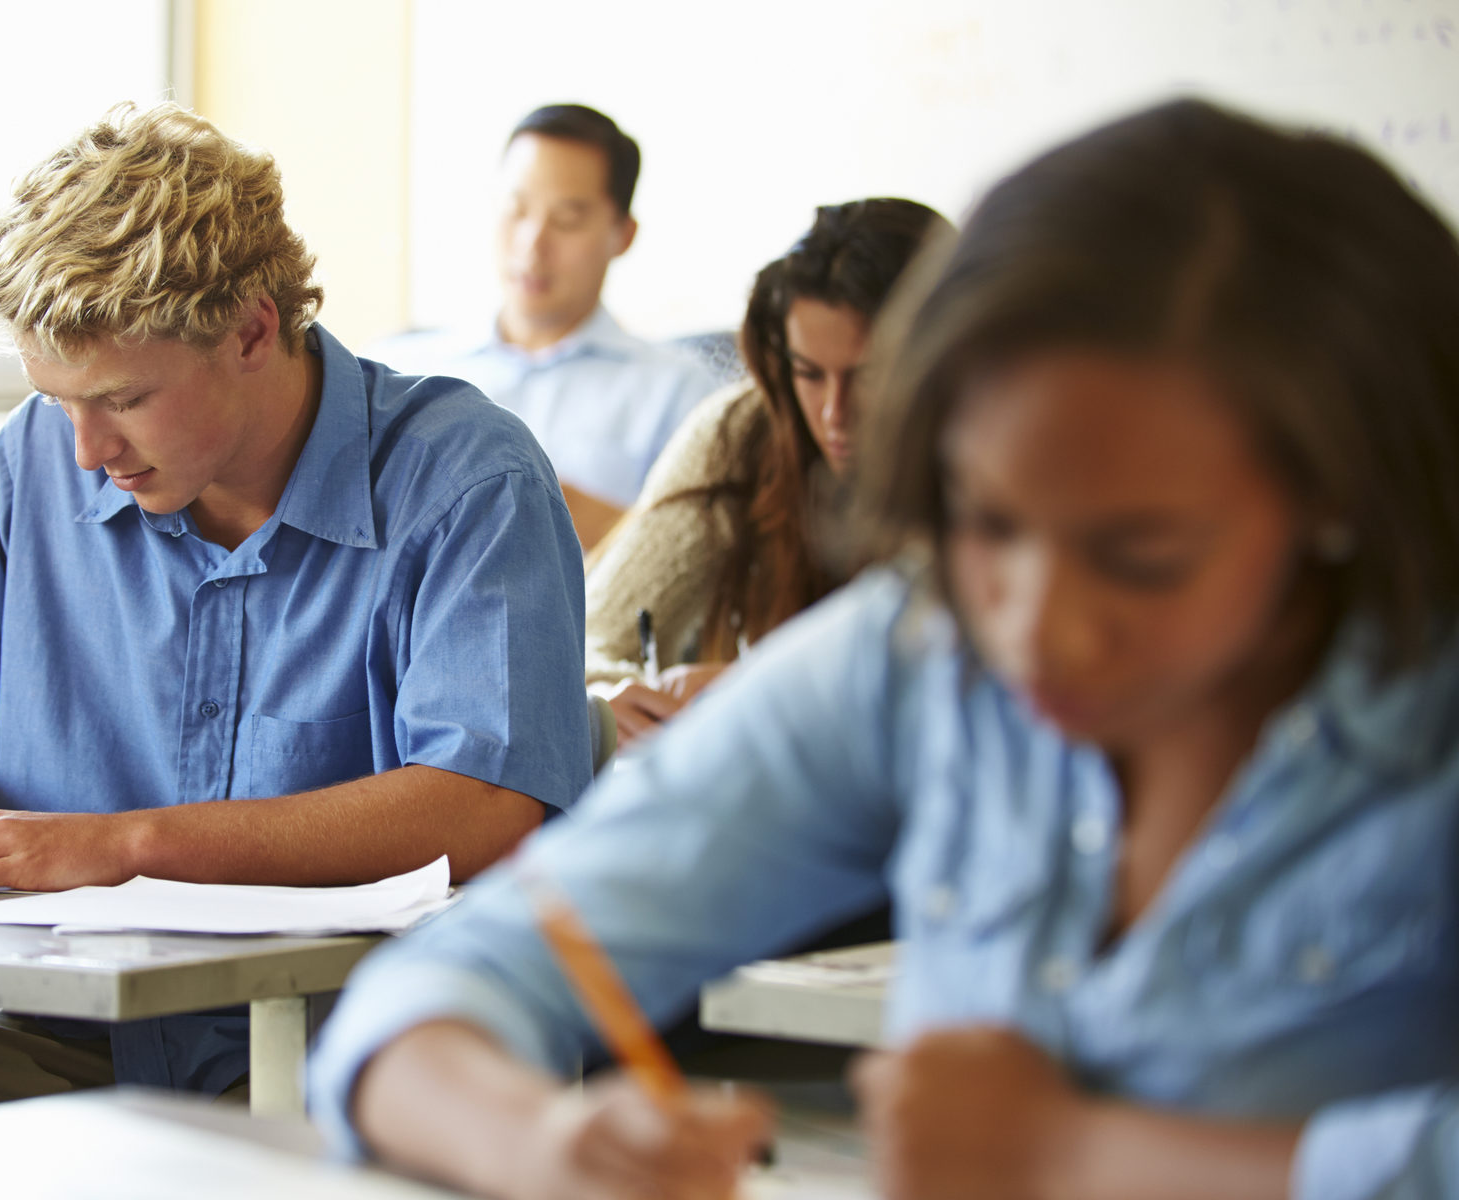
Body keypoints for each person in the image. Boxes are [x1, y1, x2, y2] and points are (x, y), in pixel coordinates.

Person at [310, 98, 1459, 1200]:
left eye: (1141, 555)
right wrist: (540, 1144)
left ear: (1337, 499)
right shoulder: (913, 658)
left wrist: (1064, 1161)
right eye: (987, 525)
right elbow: (429, 994)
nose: (1033, 628)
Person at [0, 102, 590, 1096]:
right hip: (62, 1039)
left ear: (251, 330)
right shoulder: (35, 463)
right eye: (57, 400)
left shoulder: (465, 482)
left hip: (345, 1058)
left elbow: (484, 806)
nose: (84, 451)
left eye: (121, 400)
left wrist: (125, 849)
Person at [588, 199, 949, 746]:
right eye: (809, 373)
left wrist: (768, 695)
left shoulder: (1002, 468)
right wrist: (616, 700)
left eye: (870, 375)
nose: (835, 413)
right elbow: (591, 636)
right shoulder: (738, 433)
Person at [368, 104, 718, 548]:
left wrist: (543, 500)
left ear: (622, 234)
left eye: (568, 219)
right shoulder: (397, 369)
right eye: (516, 209)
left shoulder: (680, 394)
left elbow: (706, 562)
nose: (533, 243)